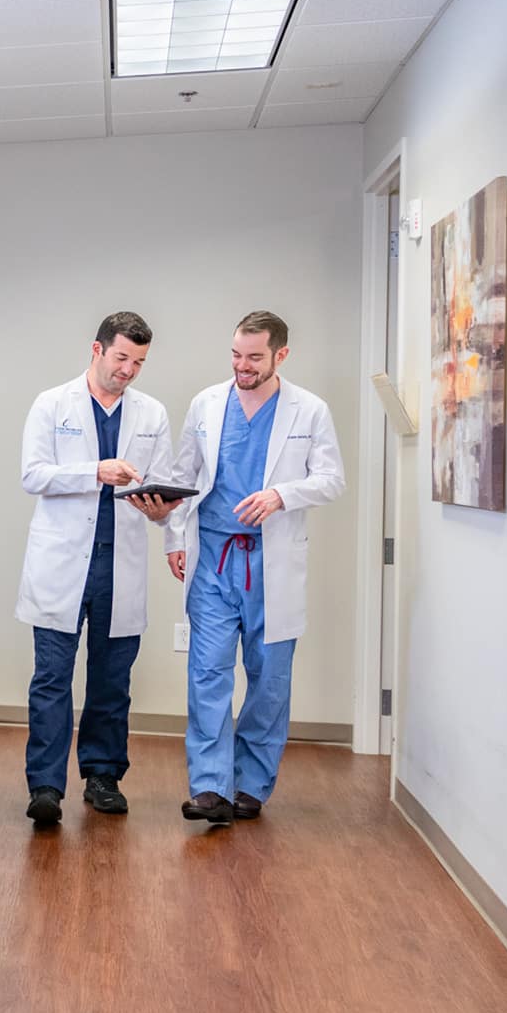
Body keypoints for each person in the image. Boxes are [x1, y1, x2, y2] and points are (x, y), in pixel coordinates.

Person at [165, 311, 344, 825]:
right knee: (207, 674)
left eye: (255, 358)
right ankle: (209, 788)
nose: (242, 366)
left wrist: (281, 495)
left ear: (280, 356)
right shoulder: (206, 403)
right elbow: (184, 477)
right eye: (236, 355)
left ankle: (251, 784)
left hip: (273, 562)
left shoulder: (309, 411)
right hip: (214, 563)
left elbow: (331, 480)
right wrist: (174, 539)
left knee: (269, 680)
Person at [14, 313, 181, 824]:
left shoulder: (151, 413)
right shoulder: (52, 403)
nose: (129, 370)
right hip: (63, 564)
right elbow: (33, 474)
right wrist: (95, 472)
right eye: (122, 358)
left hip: (121, 563)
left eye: (139, 362)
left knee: (112, 680)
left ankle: (103, 776)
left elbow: (167, 484)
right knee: (52, 680)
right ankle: (45, 786)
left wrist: (162, 516)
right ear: (97, 349)